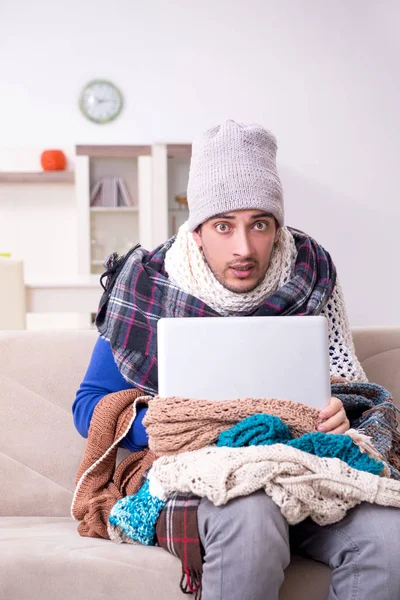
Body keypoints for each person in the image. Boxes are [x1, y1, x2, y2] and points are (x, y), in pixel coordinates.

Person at [73, 120, 400, 600]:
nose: (243, 248)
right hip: (190, 475)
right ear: (198, 230)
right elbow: (90, 404)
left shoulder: (310, 272)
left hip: (302, 465)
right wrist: (179, 425)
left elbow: (348, 385)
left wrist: (338, 414)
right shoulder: (146, 284)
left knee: (390, 539)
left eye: (259, 224)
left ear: (277, 227)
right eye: (224, 225)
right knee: (251, 516)